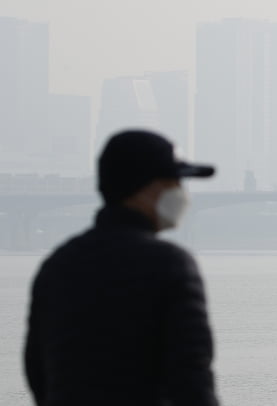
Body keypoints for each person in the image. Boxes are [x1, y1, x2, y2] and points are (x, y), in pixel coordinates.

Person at [24, 129, 219, 406]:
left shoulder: (57, 265)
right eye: (175, 181)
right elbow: (191, 379)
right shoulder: (169, 265)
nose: (181, 192)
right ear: (149, 189)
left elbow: (38, 372)